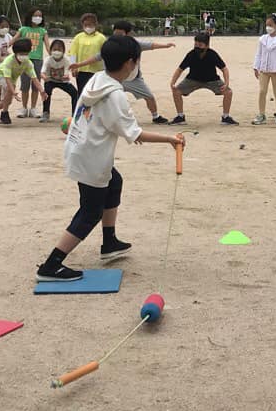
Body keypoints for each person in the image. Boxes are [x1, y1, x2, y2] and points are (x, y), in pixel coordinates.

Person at [35, 35, 185, 281]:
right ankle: (51, 266)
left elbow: (117, 125)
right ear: (130, 63)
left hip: (81, 149)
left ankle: (110, 242)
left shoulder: (97, 79)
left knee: (114, 182)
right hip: (92, 158)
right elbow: (134, 134)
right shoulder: (115, 95)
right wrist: (170, 139)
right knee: (90, 212)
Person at [110, 20, 174, 124]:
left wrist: (166, 45)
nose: (117, 36)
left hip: (134, 79)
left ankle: (156, 116)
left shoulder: (135, 44)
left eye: (120, 34)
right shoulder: (110, 44)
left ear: (128, 33)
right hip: (116, 78)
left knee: (149, 96)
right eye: (115, 33)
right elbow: (99, 56)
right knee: (107, 97)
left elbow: (151, 45)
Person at [168, 33, 238, 126]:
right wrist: (172, 83)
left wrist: (226, 83)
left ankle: (226, 117)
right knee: (176, 91)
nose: (197, 47)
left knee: (228, 92)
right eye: (195, 44)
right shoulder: (191, 54)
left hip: (212, 80)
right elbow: (180, 69)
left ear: (207, 45)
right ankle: (180, 117)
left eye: (200, 45)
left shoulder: (212, 54)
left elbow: (224, 69)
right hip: (192, 79)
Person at [0, 39, 43, 126]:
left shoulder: (28, 63)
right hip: (0, 75)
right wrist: (13, 91)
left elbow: (34, 79)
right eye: (21, 54)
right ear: (15, 53)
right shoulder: (9, 61)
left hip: (11, 80)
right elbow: (7, 78)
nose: (23, 56)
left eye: (25, 54)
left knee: (7, 101)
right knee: (9, 92)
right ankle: (4, 114)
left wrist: (42, 91)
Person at [252, 13, 276, 125]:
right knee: (262, 91)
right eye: (267, 25)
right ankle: (261, 114)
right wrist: (256, 67)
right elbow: (259, 53)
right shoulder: (263, 39)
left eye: (271, 25)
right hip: (264, 70)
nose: (268, 27)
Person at [15, 8, 49, 118]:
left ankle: (33, 108)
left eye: (40, 16)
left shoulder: (43, 31)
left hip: (38, 60)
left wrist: (53, 56)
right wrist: (6, 46)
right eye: (35, 15)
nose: (38, 18)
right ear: (30, 16)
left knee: (36, 84)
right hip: (24, 59)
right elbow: (14, 39)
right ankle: (24, 108)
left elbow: (48, 45)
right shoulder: (23, 29)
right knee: (25, 84)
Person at [40, 39, 78, 122]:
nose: (57, 52)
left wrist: (66, 76)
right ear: (50, 50)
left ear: (63, 51)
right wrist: (44, 77)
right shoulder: (48, 59)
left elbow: (67, 73)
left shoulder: (66, 60)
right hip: (50, 80)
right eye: (54, 49)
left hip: (62, 82)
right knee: (46, 93)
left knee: (75, 93)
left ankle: (74, 114)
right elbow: (42, 72)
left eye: (59, 50)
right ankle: (45, 113)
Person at [69, 13, 107, 95]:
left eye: (90, 24)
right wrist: (73, 67)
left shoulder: (101, 38)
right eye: (85, 25)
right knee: (82, 93)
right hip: (81, 71)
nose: (88, 27)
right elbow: (73, 52)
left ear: (95, 24)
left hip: (97, 71)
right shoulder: (78, 37)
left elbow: (105, 54)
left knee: (96, 93)